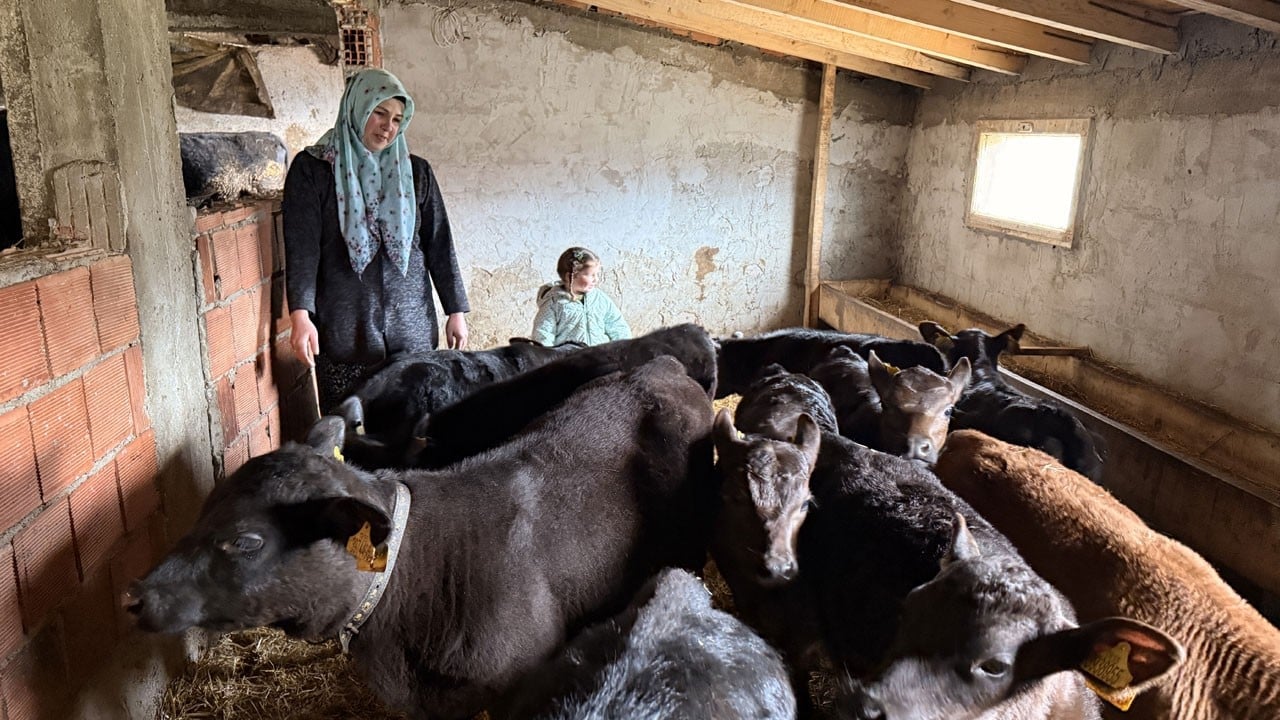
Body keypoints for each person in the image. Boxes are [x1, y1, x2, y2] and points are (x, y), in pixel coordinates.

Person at [283, 68, 469, 412]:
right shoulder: (314, 169)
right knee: (351, 437)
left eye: (398, 119)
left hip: (411, 330)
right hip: (345, 330)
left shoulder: (416, 172)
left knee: (413, 433)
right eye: (379, 113)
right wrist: (300, 315)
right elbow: (302, 249)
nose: (388, 126)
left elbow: (439, 243)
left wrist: (455, 310)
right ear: (357, 108)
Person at [532, 247, 631, 347]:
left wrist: (624, 350)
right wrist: (548, 358)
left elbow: (618, 326)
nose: (596, 279)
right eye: (590, 275)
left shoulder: (600, 298)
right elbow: (543, 334)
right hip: (569, 358)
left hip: (599, 356)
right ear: (570, 276)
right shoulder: (554, 302)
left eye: (597, 274)